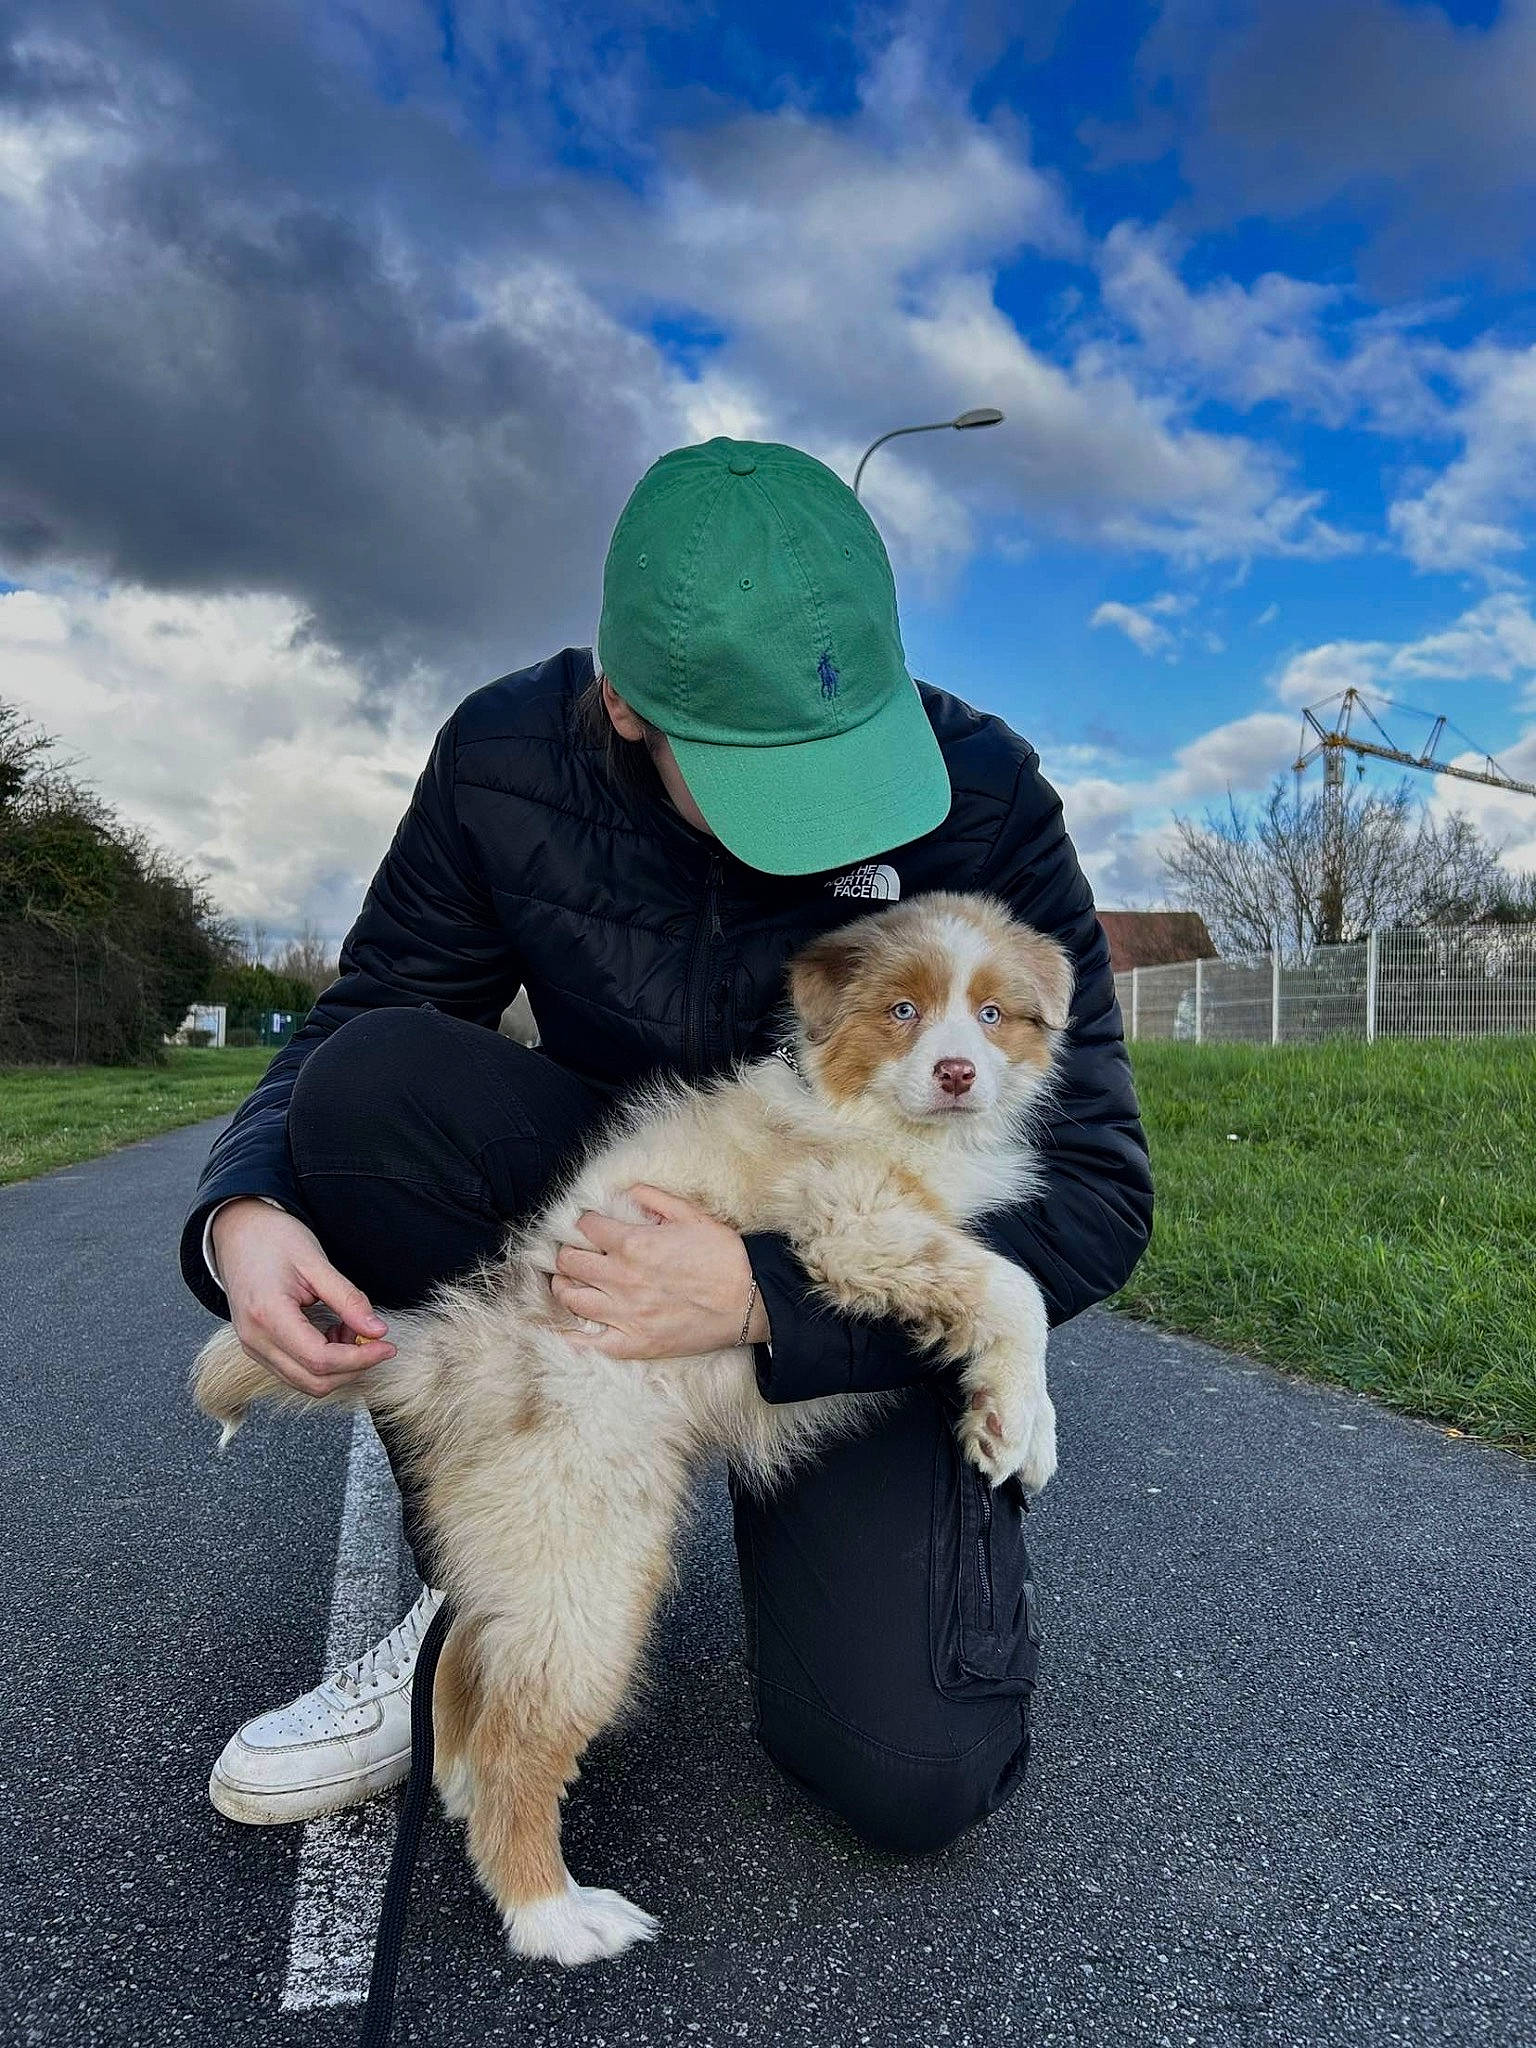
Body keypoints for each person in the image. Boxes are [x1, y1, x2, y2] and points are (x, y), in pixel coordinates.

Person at [183, 436, 1152, 1854]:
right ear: (623, 706)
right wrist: (244, 1206)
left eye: (845, 754)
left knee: (908, 1770)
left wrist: (768, 1292)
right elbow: (367, 1010)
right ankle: (490, 1583)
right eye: (765, 774)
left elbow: (1101, 1190)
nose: (818, 822)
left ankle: (939, 1574)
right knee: (375, 1087)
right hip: (611, 1177)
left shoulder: (986, 789)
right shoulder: (502, 757)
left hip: (843, 1257)